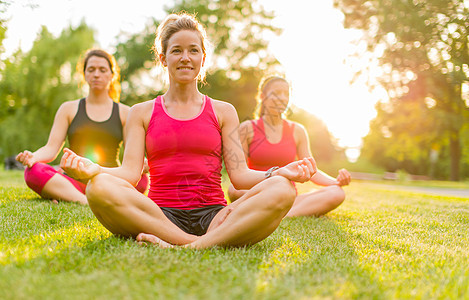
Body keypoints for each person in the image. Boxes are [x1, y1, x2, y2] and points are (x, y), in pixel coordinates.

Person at [60, 13, 317, 249]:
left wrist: (278, 172)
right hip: (159, 216)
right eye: (177, 51)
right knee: (98, 187)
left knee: (283, 188)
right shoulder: (142, 112)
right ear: (163, 58)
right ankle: (195, 243)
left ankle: (189, 246)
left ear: (203, 58)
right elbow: (129, 174)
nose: (185, 57)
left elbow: (239, 176)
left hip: (215, 216)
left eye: (193, 50)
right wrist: (93, 170)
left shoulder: (223, 111)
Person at [16, 49, 149, 205]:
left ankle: (64, 194)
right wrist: (33, 157)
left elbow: (131, 157)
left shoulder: (126, 112)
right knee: (34, 171)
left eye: (102, 70)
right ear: (84, 74)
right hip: (72, 178)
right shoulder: (68, 109)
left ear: (112, 75)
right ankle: (84, 200)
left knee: (141, 179)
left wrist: (143, 163)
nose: (96, 74)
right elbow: (51, 148)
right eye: (91, 70)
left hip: (108, 179)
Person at [228, 76, 351, 217]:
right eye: (277, 93)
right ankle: (276, 210)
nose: (282, 98)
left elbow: (311, 169)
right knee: (234, 190)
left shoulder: (298, 130)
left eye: (286, 94)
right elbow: (240, 172)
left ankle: (282, 213)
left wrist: (335, 182)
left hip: (286, 195)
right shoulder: (247, 128)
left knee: (336, 193)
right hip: (256, 192)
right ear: (262, 96)